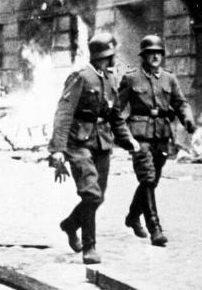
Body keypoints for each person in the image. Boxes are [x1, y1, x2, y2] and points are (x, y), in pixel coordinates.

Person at [48, 32, 140, 264]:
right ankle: (90, 247)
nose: (114, 59)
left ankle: (70, 224)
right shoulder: (80, 77)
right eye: (111, 55)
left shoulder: (109, 80)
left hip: (102, 142)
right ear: (103, 56)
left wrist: (128, 139)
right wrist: (58, 149)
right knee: (91, 194)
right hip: (78, 143)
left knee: (98, 197)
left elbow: (115, 115)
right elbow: (64, 112)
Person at [118, 35, 195, 247]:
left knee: (152, 180)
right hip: (139, 135)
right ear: (143, 56)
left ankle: (133, 216)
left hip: (162, 135)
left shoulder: (170, 79)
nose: (155, 56)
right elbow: (117, 109)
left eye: (158, 53)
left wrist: (187, 119)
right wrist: (123, 135)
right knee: (148, 177)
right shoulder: (131, 78)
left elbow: (181, 102)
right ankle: (155, 228)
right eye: (150, 53)